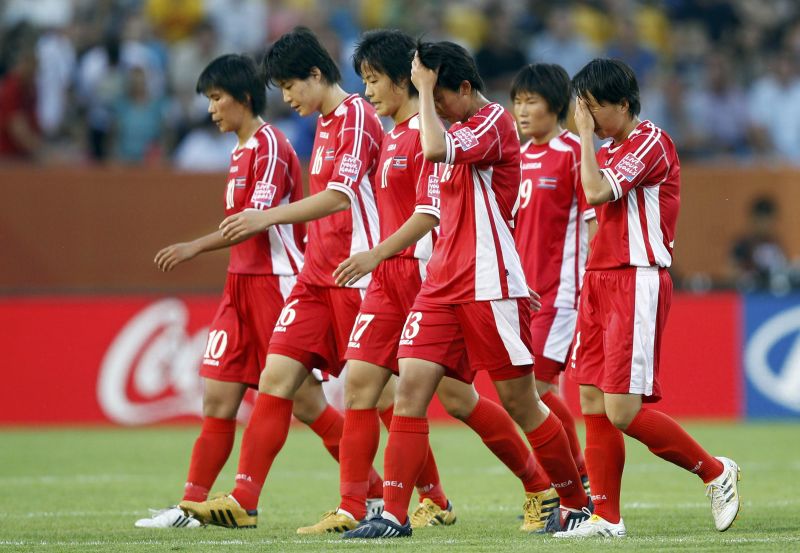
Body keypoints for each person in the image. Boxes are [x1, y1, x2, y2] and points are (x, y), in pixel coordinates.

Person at [298, 29, 561, 536]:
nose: (368, 90)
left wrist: (376, 252)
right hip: (387, 276)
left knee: (458, 400)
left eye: (375, 79)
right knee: (361, 386)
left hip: (427, 274)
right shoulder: (391, 134)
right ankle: (358, 507)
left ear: (407, 80)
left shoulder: (433, 132)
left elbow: (433, 213)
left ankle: (537, 486)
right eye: (364, 80)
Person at [179, 27, 384, 529]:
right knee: (276, 379)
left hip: (356, 274)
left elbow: (339, 197)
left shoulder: (356, 115)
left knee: (385, 396)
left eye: (291, 87)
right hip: (316, 276)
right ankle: (244, 500)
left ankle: (417, 498)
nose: (287, 98)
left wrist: (266, 217)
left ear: (315, 74)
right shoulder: (323, 125)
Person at [135, 53, 342, 528]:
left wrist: (193, 246)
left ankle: (368, 492)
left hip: (276, 284)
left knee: (308, 404)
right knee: (217, 401)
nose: (211, 109)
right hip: (239, 286)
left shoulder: (270, 146)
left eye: (216, 98)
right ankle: (190, 506)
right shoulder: (240, 151)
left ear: (243, 98)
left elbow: (252, 223)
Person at [554, 58, 741, 539]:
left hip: (635, 279)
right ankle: (606, 518)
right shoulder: (610, 147)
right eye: (582, 109)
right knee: (591, 398)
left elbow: (596, 192)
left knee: (622, 410)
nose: (587, 118)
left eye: (593, 108)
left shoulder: (651, 142)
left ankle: (715, 472)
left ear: (623, 103)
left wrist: (583, 136)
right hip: (599, 279)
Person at [510, 63, 596, 494]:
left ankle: (576, 477)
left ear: (556, 105)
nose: (522, 111)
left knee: (535, 389)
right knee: (534, 392)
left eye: (532, 102)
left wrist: (596, 286)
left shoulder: (575, 153)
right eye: (517, 102)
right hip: (519, 295)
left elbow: (596, 223)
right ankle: (578, 476)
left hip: (560, 294)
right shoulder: (516, 157)